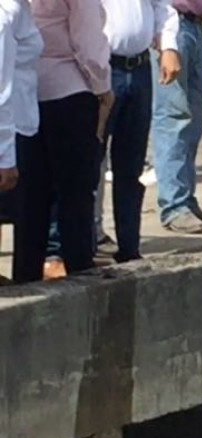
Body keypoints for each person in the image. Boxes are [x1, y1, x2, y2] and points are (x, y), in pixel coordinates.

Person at [9, 0, 111, 283]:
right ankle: (80, 272)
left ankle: (26, 278)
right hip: (70, 88)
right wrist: (103, 87)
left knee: (31, 199)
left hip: (28, 93)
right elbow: (88, 44)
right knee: (76, 195)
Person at [95, 0, 180, 263]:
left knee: (131, 165)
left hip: (140, 67)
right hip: (102, 66)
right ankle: (85, 245)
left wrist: (168, 46)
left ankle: (129, 246)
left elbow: (161, 6)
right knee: (90, 162)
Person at [151, 0, 202, 234]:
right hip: (172, 24)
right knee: (173, 115)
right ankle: (174, 205)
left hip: (196, 27)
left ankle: (186, 198)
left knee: (196, 115)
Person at [0, 0, 41, 281]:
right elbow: (1, 89)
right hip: (12, 129)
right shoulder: (6, 12)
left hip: (21, 122)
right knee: (24, 214)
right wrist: (5, 155)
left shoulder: (19, 8)